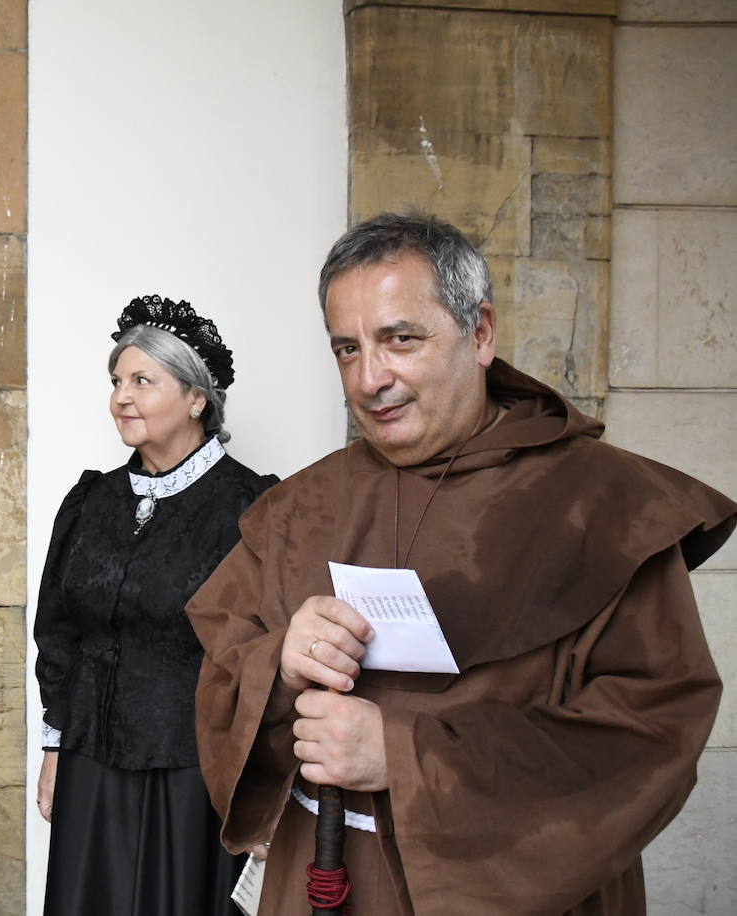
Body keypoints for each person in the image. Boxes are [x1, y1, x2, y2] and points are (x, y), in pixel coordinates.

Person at [187, 212, 736, 915]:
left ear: (479, 334)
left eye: (400, 340)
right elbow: (221, 665)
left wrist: (406, 757)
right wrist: (280, 664)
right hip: (316, 874)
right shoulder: (303, 505)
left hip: (510, 889)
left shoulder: (601, 506)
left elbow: (653, 730)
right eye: (347, 350)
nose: (370, 379)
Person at [34, 295, 277, 916]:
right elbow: (59, 635)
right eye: (117, 380)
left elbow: (266, 656)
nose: (122, 396)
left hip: (193, 773)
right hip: (92, 762)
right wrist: (55, 749)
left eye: (143, 380)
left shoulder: (253, 509)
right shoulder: (91, 502)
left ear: (197, 398)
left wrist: (265, 787)